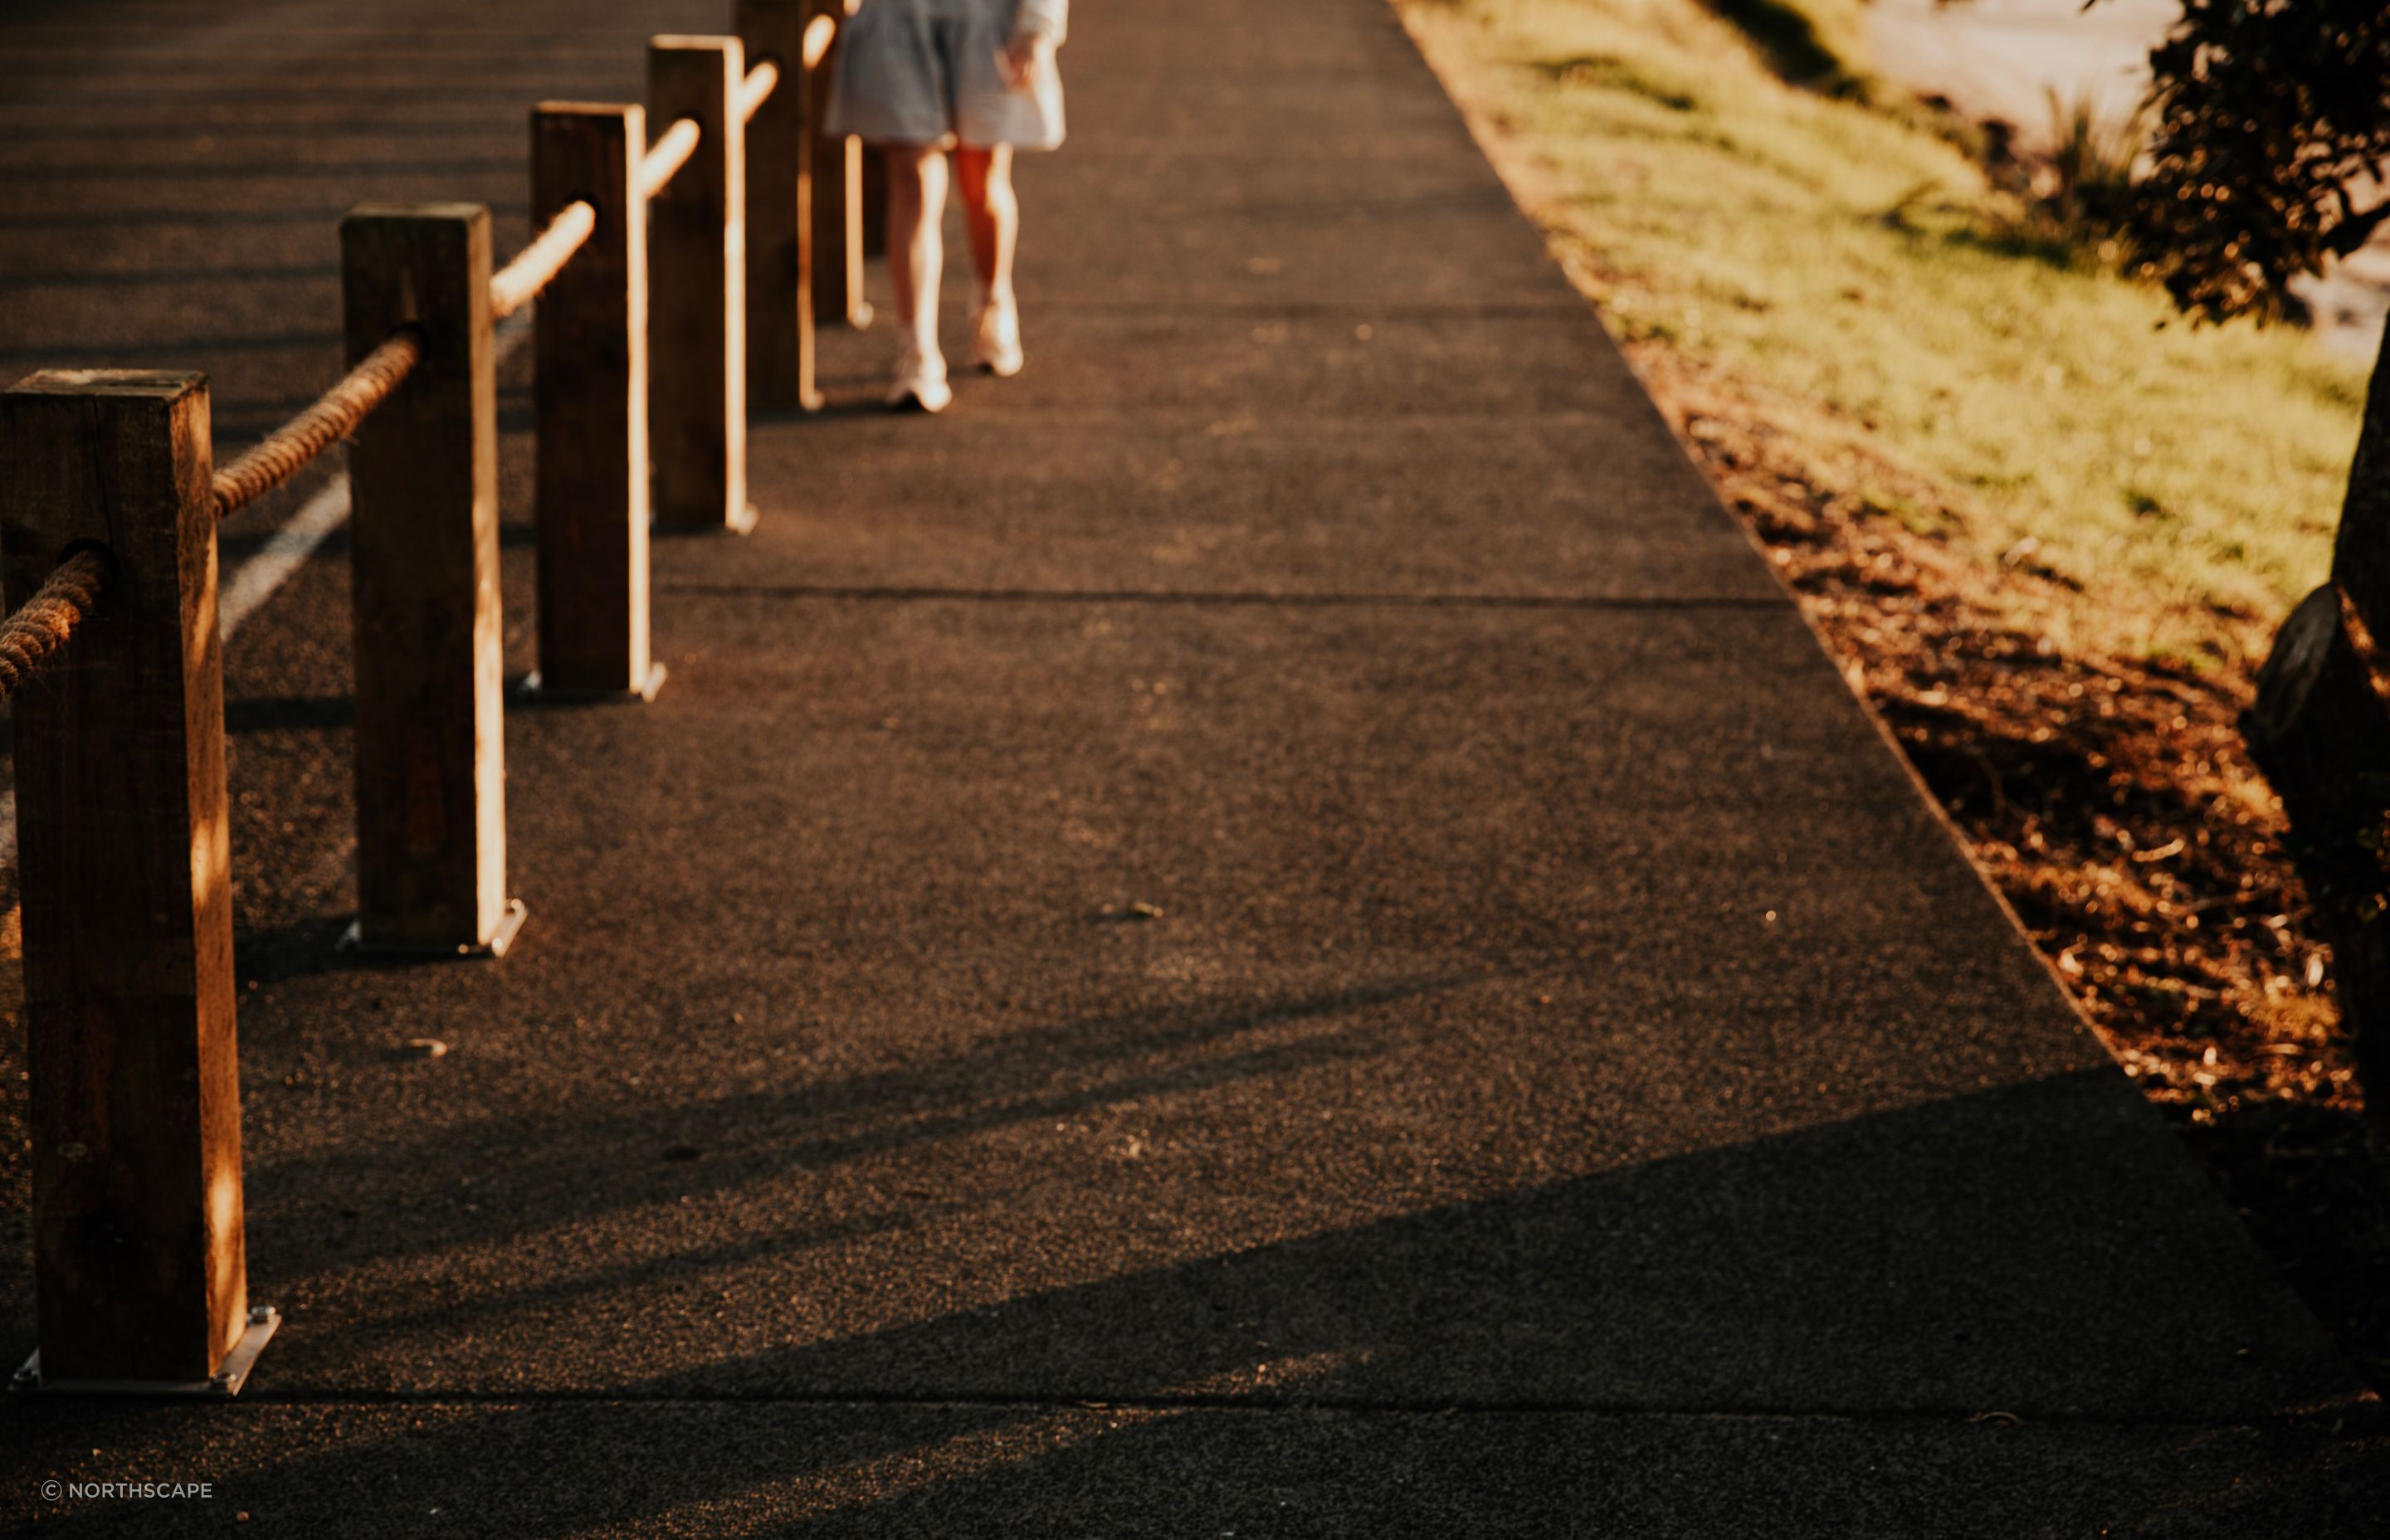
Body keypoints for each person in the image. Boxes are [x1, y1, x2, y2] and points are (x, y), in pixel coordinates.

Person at [824, 0, 1069, 412]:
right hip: (897, 18)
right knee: (912, 181)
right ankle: (917, 349)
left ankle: (993, 301)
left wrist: (1037, 27)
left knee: (982, 182)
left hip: (987, 19)